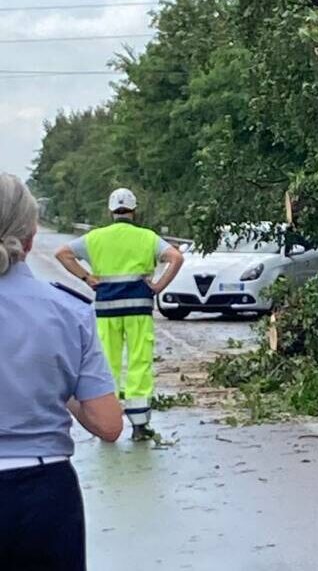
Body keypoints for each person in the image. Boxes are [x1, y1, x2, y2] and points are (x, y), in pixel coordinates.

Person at [0, 173, 123, 570]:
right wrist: (61, 387)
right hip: (43, 496)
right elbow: (108, 425)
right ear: (31, 236)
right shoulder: (69, 311)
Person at [56, 188, 184, 441]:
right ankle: (140, 424)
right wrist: (158, 286)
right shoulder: (147, 237)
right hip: (138, 308)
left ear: (110, 211)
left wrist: (87, 278)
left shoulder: (95, 238)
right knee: (139, 361)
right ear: (134, 211)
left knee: (107, 363)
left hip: (106, 309)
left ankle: (108, 421)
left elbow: (62, 254)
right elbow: (176, 258)